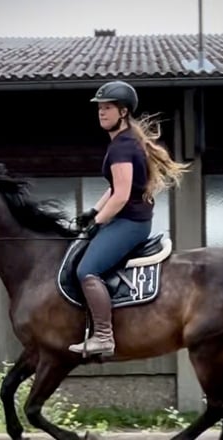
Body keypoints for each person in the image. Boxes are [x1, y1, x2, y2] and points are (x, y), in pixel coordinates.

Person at [68, 80, 190, 356]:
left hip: (130, 224)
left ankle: (103, 337)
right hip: (128, 220)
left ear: (123, 112)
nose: (101, 112)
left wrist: (97, 223)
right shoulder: (124, 143)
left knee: (87, 270)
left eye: (108, 108)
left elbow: (121, 196)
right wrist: (93, 212)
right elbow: (114, 188)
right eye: (99, 108)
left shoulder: (122, 147)